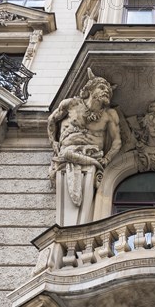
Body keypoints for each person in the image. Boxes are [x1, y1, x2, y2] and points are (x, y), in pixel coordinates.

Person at [48, 68, 121, 206]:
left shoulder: (109, 115)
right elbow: (52, 121)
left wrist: (107, 159)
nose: (106, 91)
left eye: (108, 90)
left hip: (93, 155)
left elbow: (117, 142)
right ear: (90, 89)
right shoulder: (71, 104)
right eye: (101, 87)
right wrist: (53, 142)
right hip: (67, 152)